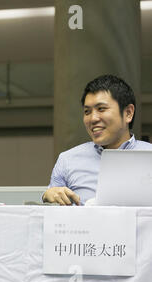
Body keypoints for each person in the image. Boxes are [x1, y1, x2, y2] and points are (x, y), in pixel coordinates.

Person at [43, 74, 152, 206]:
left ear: (128, 113)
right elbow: (50, 213)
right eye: (87, 112)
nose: (93, 118)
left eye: (101, 109)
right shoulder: (68, 160)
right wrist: (48, 195)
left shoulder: (149, 155)